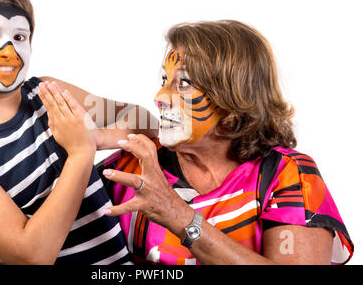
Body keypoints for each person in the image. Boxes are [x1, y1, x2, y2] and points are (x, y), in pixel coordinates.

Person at [0, 0, 157, 265]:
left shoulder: (48, 94)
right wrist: (80, 152)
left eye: (19, 36)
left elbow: (145, 122)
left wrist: (97, 137)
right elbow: (32, 256)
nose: (9, 50)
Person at [98, 20, 354, 264]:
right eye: (165, 81)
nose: (160, 97)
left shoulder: (286, 175)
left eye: (183, 83)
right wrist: (104, 130)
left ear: (234, 97)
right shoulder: (131, 169)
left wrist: (177, 215)